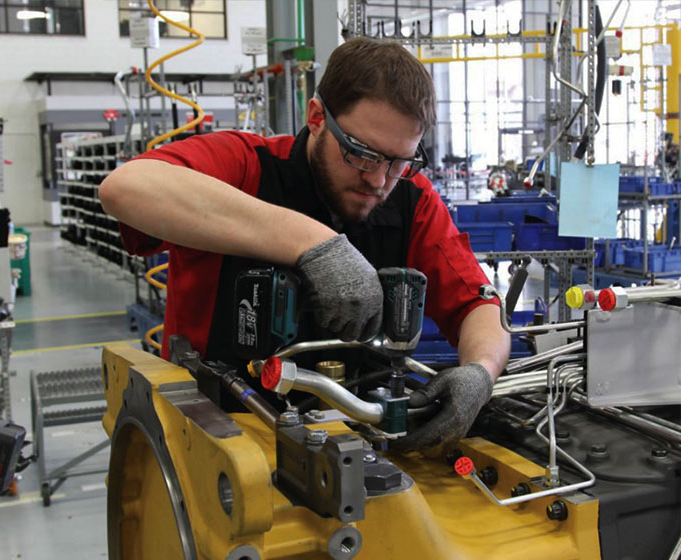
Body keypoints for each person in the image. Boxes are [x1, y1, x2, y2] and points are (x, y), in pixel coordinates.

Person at [99, 37, 510, 448]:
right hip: (217, 444)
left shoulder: (412, 198)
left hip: (359, 448)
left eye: (399, 161)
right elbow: (124, 188)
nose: (379, 180)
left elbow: (477, 304)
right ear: (316, 117)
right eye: (362, 154)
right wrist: (315, 244)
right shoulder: (246, 165)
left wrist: (480, 371)